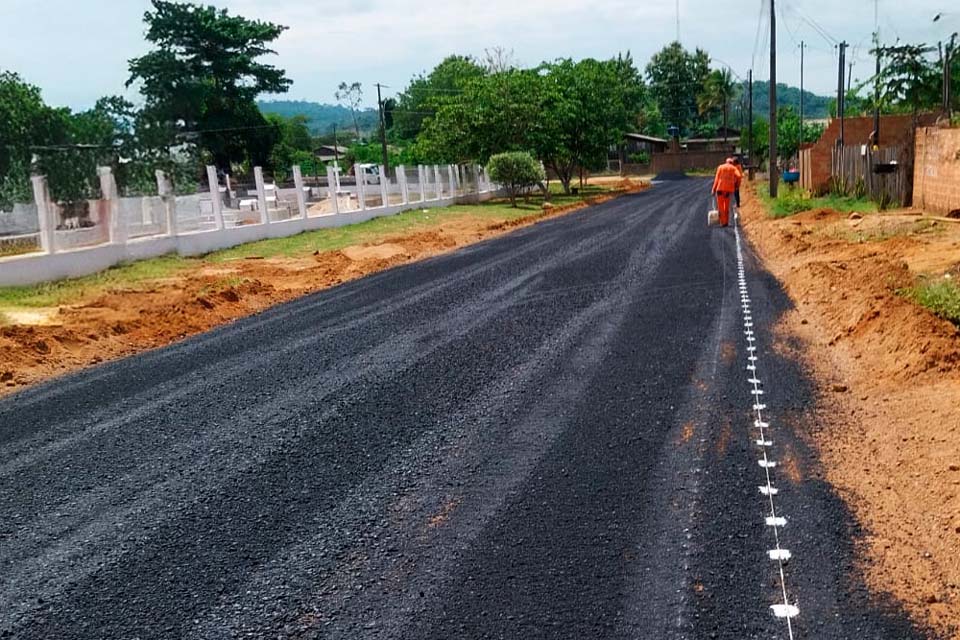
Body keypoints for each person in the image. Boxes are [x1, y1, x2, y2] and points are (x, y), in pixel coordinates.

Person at [711, 157, 741, 227]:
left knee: (720, 206)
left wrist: (713, 189)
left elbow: (716, 179)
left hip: (720, 189)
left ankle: (723, 222)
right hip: (728, 190)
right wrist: (737, 185)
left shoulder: (720, 167)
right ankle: (726, 222)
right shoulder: (733, 168)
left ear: (726, 162)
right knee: (726, 206)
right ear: (732, 163)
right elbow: (739, 176)